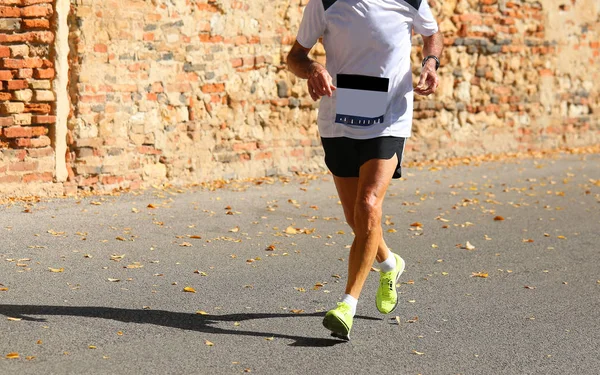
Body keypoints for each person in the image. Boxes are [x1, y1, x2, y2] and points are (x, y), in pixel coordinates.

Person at [286, 0, 443, 340]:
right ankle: (389, 263)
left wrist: (431, 62)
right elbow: (294, 57)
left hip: (389, 114)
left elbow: (432, 34)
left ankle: (347, 305)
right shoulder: (325, 3)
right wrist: (313, 69)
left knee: (368, 204)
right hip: (340, 114)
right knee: (357, 218)